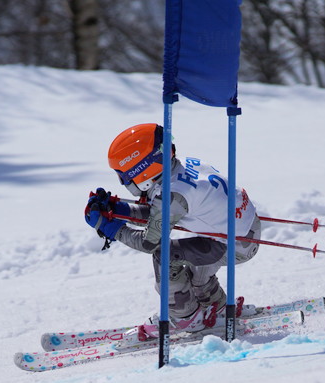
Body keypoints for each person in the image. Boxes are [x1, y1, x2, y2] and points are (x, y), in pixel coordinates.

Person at [85, 123, 260, 339]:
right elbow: (160, 212)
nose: (124, 181)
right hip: (244, 230)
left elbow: (150, 242)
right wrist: (119, 209)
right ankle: (216, 305)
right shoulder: (179, 168)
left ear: (141, 169)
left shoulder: (173, 194)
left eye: (123, 174)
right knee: (194, 265)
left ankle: (185, 317)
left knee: (165, 256)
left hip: (235, 246)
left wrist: (111, 228)